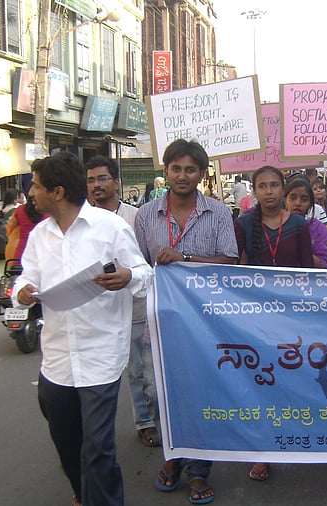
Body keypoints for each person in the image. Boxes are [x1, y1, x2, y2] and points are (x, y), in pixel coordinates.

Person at [13, 152, 153, 506]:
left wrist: (127, 276)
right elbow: (25, 277)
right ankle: (82, 493)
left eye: (37, 186)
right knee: (66, 442)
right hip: (57, 360)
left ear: (57, 192)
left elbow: (145, 275)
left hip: (100, 357)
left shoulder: (111, 228)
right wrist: (24, 291)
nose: (31, 193)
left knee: (99, 449)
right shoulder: (40, 235)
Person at [135, 139, 238, 505]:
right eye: (176, 168)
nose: (182, 175)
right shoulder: (145, 215)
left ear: (201, 174)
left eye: (190, 169)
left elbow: (230, 260)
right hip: (159, 322)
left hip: (204, 324)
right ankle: (173, 456)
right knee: (161, 395)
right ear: (165, 171)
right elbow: (136, 265)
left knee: (201, 396)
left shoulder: (218, 213)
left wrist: (185, 257)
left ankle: (199, 470)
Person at [236, 166, 314, 481]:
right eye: (262, 186)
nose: (268, 192)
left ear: (282, 189)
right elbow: (235, 274)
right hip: (256, 321)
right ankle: (263, 452)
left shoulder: (298, 225)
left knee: (293, 384)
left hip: (293, 319)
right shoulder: (242, 224)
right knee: (261, 387)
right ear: (253, 191)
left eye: (274, 186)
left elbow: (310, 274)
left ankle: (297, 439)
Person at [85, 155, 161, 450]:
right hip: (101, 311)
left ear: (117, 183)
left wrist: (131, 276)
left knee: (149, 373)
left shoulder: (136, 216)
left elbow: (148, 261)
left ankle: (156, 418)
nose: (96, 185)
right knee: (126, 373)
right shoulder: (83, 221)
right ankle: (143, 422)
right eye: (91, 180)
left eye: (102, 178)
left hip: (139, 307)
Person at [283, 177, 327, 269]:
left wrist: (299, 247)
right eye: (293, 198)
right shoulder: (275, 227)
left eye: (304, 199)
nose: (298, 203)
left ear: (310, 204)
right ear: (285, 201)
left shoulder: (318, 229)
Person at [6, 196, 46, 261]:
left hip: (20, 255)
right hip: (43, 255)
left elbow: (9, 230)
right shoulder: (50, 213)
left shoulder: (20, 210)